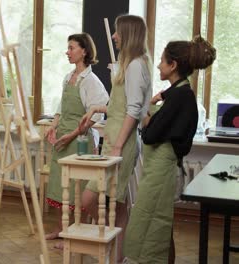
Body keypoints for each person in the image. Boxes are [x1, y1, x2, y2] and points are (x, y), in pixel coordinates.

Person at [123, 36, 216, 264]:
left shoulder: (179, 96)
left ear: (173, 65)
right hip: (161, 170)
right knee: (160, 224)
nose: (158, 65)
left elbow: (151, 135)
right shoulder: (178, 93)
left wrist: (145, 114)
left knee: (150, 222)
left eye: (162, 61)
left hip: (162, 172)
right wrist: (155, 104)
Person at [78, 15, 152, 262]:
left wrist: (118, 146)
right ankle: (119, 254)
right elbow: (120, 107)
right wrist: (97, 109)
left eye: (117, 32)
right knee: (113, 208)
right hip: (113, 141)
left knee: (101, 203)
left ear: (128, 34)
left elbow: (134, 111)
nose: (113, 36)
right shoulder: (129, 63)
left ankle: (118, 252)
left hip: (121, 144)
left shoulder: (136, 66)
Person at [44, 33, 109, 247]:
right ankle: (61, 228)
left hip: (78, 141)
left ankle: (73, 232)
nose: (67, 52)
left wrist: (72, 135)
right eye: (68, 48)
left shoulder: (91, 81)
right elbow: (60, 108)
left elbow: (97, 114)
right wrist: (53, 127)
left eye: (71, 48)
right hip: (62, 139)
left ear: (84, 51)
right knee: (58, 184)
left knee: (75, 189)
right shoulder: (68, 77)